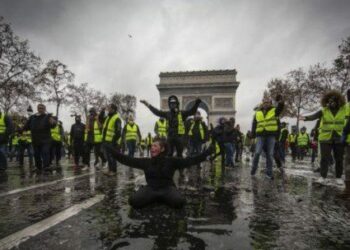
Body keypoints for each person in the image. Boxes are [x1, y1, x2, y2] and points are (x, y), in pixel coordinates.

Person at [104, 138, 213, 209]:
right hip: (151, 188)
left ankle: (160, 198)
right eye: (151, 146)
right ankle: (157, 198)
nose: (152, 148)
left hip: (167, 188)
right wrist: (110, 149)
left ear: (162, 149)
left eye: (155, 146)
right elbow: (126, 159)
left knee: (180, 202)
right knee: (133, 201)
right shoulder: (146, 162)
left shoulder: (171, 161)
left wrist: (207, 152)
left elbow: (191, 160)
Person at [300, 90, 346, 184]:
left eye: (332, 101)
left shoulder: (343, 109)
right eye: (329, 101)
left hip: (339, 137)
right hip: (325, 137)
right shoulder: (324, 110)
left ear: (337, 101)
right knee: (324, 158)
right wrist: (305, 118)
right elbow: (314, 116)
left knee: (339, 158)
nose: (330, 103)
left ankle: (338, 177)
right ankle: (323, 176)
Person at [251, 94, 284, 179]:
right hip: (260, 135)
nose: (266, 104)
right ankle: (253, 169)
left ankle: (269, 173)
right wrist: (252, 137)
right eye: (264, 102)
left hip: (271, 135)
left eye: (268, 102)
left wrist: (281, 102)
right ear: (262, 103)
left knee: (270, 154)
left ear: (270, 103)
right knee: (257, 152)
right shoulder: (257, 113)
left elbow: (280, 108)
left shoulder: (274, 111)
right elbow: (254, 125)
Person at [23, 104, 56, 173]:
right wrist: (20, 129)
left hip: (45, 140)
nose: (40, 109)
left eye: (42, 108)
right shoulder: (32, 117)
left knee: (45, 152)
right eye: (39, 108)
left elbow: (53, 125)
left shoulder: (47, 117)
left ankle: (46, 166)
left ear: (44, 109)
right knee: (36, 154)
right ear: (37, 109)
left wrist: (53, 121)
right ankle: (38, 167)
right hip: (35, 139)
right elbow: (26, 127)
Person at [100, 104, 122, 176]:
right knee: (108, 156)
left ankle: (113, 171)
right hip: (106, 140)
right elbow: (100, 119)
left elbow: (118, 132)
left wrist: (113, 141)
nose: (108, 109)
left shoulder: (117, 118)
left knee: (112, 156)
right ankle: (110, 170)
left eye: (109, 108)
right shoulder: (108, 117)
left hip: (112, 142)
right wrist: (102, 111)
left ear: (113, 109)